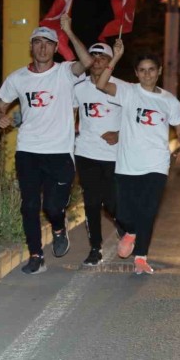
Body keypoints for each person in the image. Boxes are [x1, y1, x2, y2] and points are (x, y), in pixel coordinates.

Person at [0, 16, 93, 275]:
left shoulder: (64, 73)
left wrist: (69, 30)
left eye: (48, 43)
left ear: (55, 48)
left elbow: (87, 63)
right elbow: (0, 105)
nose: (42, 48)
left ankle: (59, 228)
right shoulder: (18, 78)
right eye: (37, 42)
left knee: (52, 207)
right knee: (28, 205)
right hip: (28, 151)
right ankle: (36, 255)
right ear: (31, 47)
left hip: (59, 153)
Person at [96, 40, 180, 275]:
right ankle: (131, 232)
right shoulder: (128, 91)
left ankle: (141, 257)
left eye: (151, 70)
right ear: (137, 73)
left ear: (159, 71)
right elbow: (101, 83)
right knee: (122, 212)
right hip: (128, 164)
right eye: (142, 70)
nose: (147, 74)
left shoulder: (169, 101)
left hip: (156, 164)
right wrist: (116, 57)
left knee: (147, 212)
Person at [65, 22, 125, 267]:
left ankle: (124, 226)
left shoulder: (121, 88)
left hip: (114, 155)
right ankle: (95, 248)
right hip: (86, 153)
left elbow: (137, 121)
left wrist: (120, 134)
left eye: (103, 57)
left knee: (111, 202)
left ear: (111, 61)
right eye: (94, 56)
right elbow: (71, 117)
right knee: (91, 202)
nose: (98, 61)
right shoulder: (78, 88)